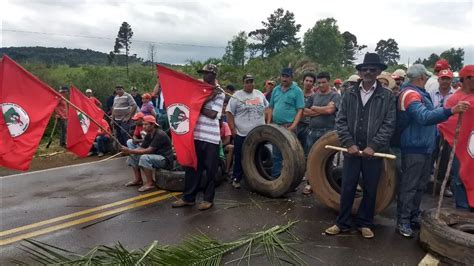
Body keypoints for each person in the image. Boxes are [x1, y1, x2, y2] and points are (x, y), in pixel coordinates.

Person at [325, 53, 396, 239]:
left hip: (374, 152)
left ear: (379, 72)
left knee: (370, 188)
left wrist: (374, 145)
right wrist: (348, 143)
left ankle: (365, 223)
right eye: (365, 69)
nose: (368, 72)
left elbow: (389, 124)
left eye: (373, 69)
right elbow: (340, 121)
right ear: (360, 71)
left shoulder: (387, 96)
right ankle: (342, 223)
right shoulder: (349, 94)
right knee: (347, 187)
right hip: (351, 151)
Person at [396, 64, 469, 238]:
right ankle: (403, 220)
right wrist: (450, 110)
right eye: (427, 77)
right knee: (409, 186)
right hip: (413, 147)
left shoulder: (418, 93)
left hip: (423, 146)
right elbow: (423, 117)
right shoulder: (410, 94)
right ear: (421, 77)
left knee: (420, 185)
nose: (429, 80)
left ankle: (412, 216)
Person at [172, 64, 225, 211]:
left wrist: (196, 106)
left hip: (210, 137)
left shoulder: (220, 93)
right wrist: (207, 97)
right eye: (203, 73)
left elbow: (213, 114)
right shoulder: (199, 88)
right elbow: (188, 102)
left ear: (213, 75)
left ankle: (208, 199)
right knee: (192, 167)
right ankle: (188, 198)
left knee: (210, 170)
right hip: (195, 135)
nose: (204, 76)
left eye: (207, 74)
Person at [438, 65, 474, 210]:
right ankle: (463, 209)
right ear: (464, 79)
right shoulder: (454, 100)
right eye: (473, 78)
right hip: (459, 147)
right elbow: (446, 123)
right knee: (460, 177)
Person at [226, 74, 268, 189]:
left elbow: (267, 108)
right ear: (243, 83)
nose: (250, 84)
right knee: (239, 156)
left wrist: (267, 124)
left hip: (259, 133)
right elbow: (229, 112)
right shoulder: (236, 95)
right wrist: (232, 128)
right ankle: (236, 178)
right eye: (247, 81)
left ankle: (255, 179)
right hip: (242, 133)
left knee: (257, 156)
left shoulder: (259, 94)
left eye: (251, 81)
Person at [303, 72, 342, 194]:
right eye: (319, 83)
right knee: (310, 158)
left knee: (327, 160)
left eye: (323, 82)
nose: (321, 85)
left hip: (328, 133)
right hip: (312, 132)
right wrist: (322, 110)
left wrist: (314, 108)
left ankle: (325, 187)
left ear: (329, 82)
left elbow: (330, 110)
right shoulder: (313, 96)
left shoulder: (335, 96)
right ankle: (310, 184)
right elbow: (304, 111)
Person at [267, 68, 305, 177]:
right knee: (276, 154)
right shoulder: (276, 90)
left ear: (291, 77)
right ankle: (276, 178)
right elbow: (271, 107)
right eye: (283, 76)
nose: (284, 78)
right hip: (276, 126)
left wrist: (293, 126)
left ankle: (290, 181)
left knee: (290, 155)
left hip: (289, 127)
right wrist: (269, 122)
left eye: (287, 76)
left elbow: (300, 110)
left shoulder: (297, 91)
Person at [121, 115, 174, 192]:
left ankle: (150, 183)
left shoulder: (159, 134)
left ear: (153, 125)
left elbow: (149, 150)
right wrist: (129, 151)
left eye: (146, 124)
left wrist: (130, 150)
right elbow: (142, 148)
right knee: (133, 155)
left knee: (144, 157)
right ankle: (138, 179)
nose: (144, 126)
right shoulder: (149, 134)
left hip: (165, 159)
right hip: (156, 156)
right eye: (143, 124)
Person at [296, 73, 316, 149]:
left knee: (307, 149)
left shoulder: (315, 97)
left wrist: (301, 110)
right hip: (296, 124)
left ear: (313, 83)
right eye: (306, 80)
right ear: (303, 81)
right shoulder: (297, 94)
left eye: (311, 81)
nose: (308, 83)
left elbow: (315, 112)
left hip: (309, 126)